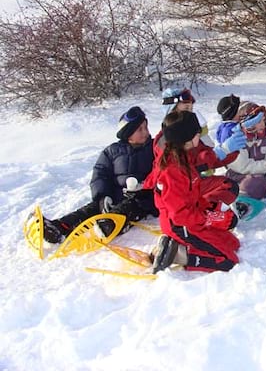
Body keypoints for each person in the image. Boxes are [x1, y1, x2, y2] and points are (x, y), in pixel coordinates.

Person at [41, 106, 159, 243]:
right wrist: (103, 196)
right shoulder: (112, 151)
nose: (145, 132)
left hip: (142, 197)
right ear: (128, 133)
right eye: (140, 129)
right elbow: (100, 174)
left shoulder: (154, 148)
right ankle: (60, 227)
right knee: (92, 208)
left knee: (130, 208)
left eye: (146, 127)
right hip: (116, 195)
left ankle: (108, 225)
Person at [146, 111, 240, 273]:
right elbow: (180, 214)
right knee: (228, 260)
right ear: (186, 139)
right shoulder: (173, 171)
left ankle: (177, 247)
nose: (200, 136)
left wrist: (228, 150)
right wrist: (208, 218)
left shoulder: (185, 155)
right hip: (180, 225)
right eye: (197, 133)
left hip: (191, 217)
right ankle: (179, 256)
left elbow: (205, 164)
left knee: (233, 244)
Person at [225, 101, 266, 199]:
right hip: (240, 179)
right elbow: (245, 167)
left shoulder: (264, 141)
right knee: (255, 182)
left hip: (260, 177)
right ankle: (242, 196)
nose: (263, 125)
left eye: (264, 120)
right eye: (259, 121)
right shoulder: (237, 142)